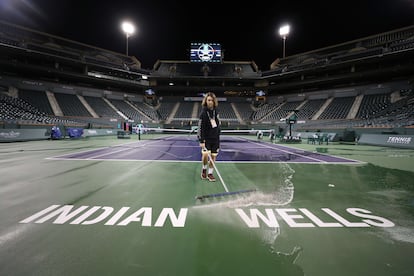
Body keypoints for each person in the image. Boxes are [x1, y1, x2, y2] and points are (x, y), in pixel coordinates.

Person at [197, 92, 220, 182]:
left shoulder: (216, 112)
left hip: (215, 139)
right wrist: (201, 140)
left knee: (213, 157)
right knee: (205, 155)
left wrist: (218, 137)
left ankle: (210, 173)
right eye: (208, 100)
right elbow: (200, 128)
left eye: (212, 100)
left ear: (214, 102)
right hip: (206, 139)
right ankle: (204, 169)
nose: (210, 102)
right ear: (206, 101)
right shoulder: (203, 113)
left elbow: (218, 126)